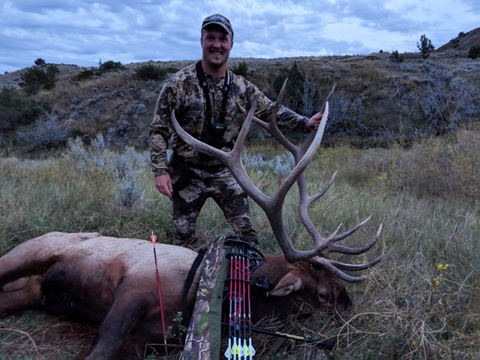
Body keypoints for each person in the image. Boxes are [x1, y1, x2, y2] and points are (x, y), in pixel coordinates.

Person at [150, 13, 323, 246]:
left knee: (248, 238)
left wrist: (304, 122)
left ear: (231, 44)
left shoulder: (241, 87)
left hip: (226, 171)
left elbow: (270, 109)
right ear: (201, 41)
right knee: (183, 241)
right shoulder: (178, 84)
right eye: (210, 38)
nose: (216, 44)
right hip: (187, 173)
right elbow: (159, 130)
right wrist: (160, 170)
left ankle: (247, 278)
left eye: (223, 39)